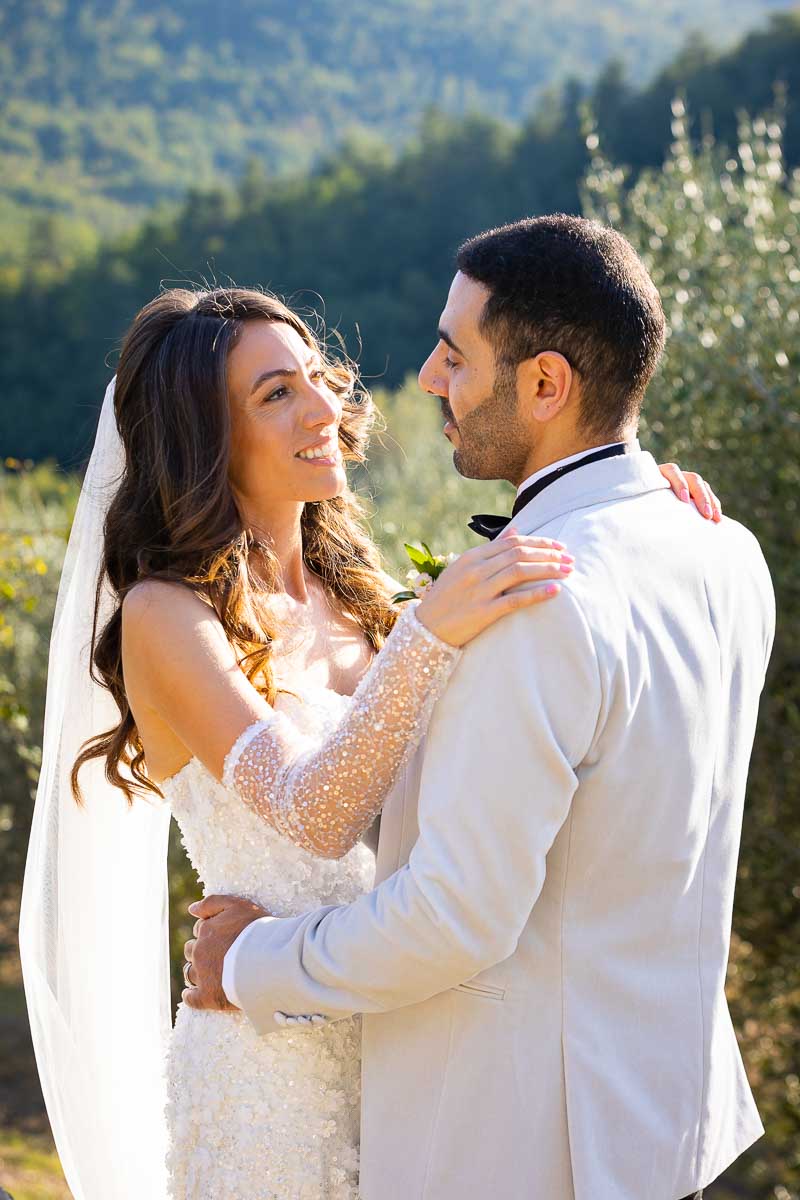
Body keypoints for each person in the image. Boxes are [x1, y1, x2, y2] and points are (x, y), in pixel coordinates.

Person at [20, 279, 716, 1200]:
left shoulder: (363, 597)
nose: (326, 405)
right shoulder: (166, 615)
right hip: (266, 1075)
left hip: (413, 1050)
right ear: (204, 437)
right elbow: (318, 811)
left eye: (316, 376)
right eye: (277, 394)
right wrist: (428, 633)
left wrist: (632, 510)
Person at [187, 217, 774, 1200]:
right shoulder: (724, 551)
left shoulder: (533, 605)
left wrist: (249, 964)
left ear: (545, 384)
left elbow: (454, 919)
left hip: (516, 1148)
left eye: (454, 354)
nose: (425, 378)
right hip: (661, 1128)